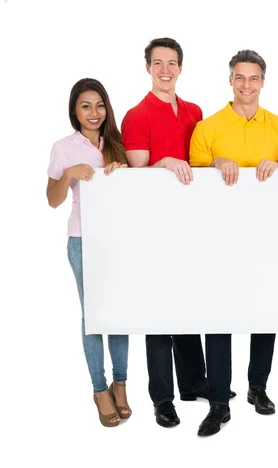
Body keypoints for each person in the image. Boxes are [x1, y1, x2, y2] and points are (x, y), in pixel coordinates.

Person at [121, 37, 235, 429]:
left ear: (181, 68)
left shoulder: (195, 112)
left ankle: (194, 383)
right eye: (158, 63)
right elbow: (137, 173)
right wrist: (166, 161)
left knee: (191, 300)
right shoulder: (136, 115)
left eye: (172, 63)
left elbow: (201, 161)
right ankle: (163, 399)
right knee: (159, 312)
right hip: (153, 224)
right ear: (148, 68)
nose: (165, 70)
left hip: (193, 221)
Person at [189, 49, 278, 436]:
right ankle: (218, 402)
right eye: (239, 77)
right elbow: (192, 184)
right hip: (218, 237)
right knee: (219, 317)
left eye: (253, 78)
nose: (246, 85)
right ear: (230, 80)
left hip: (267, 235)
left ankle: (258, 388)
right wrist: (215, 164)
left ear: (263, 82)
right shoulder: (208, 127)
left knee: (264, 315)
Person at [46, 78, 130, 427]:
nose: (94, 113)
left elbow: (133, 197)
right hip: (83, 240)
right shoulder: (64, 147)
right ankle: (99, 389)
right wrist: (69, 174)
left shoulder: (117, 143)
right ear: (74, 111)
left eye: (99, 105)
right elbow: (52, 200)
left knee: (121, 314)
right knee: (93, 315)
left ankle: (120, 384)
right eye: (85, 106)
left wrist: (123, 173)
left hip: (118, 241)